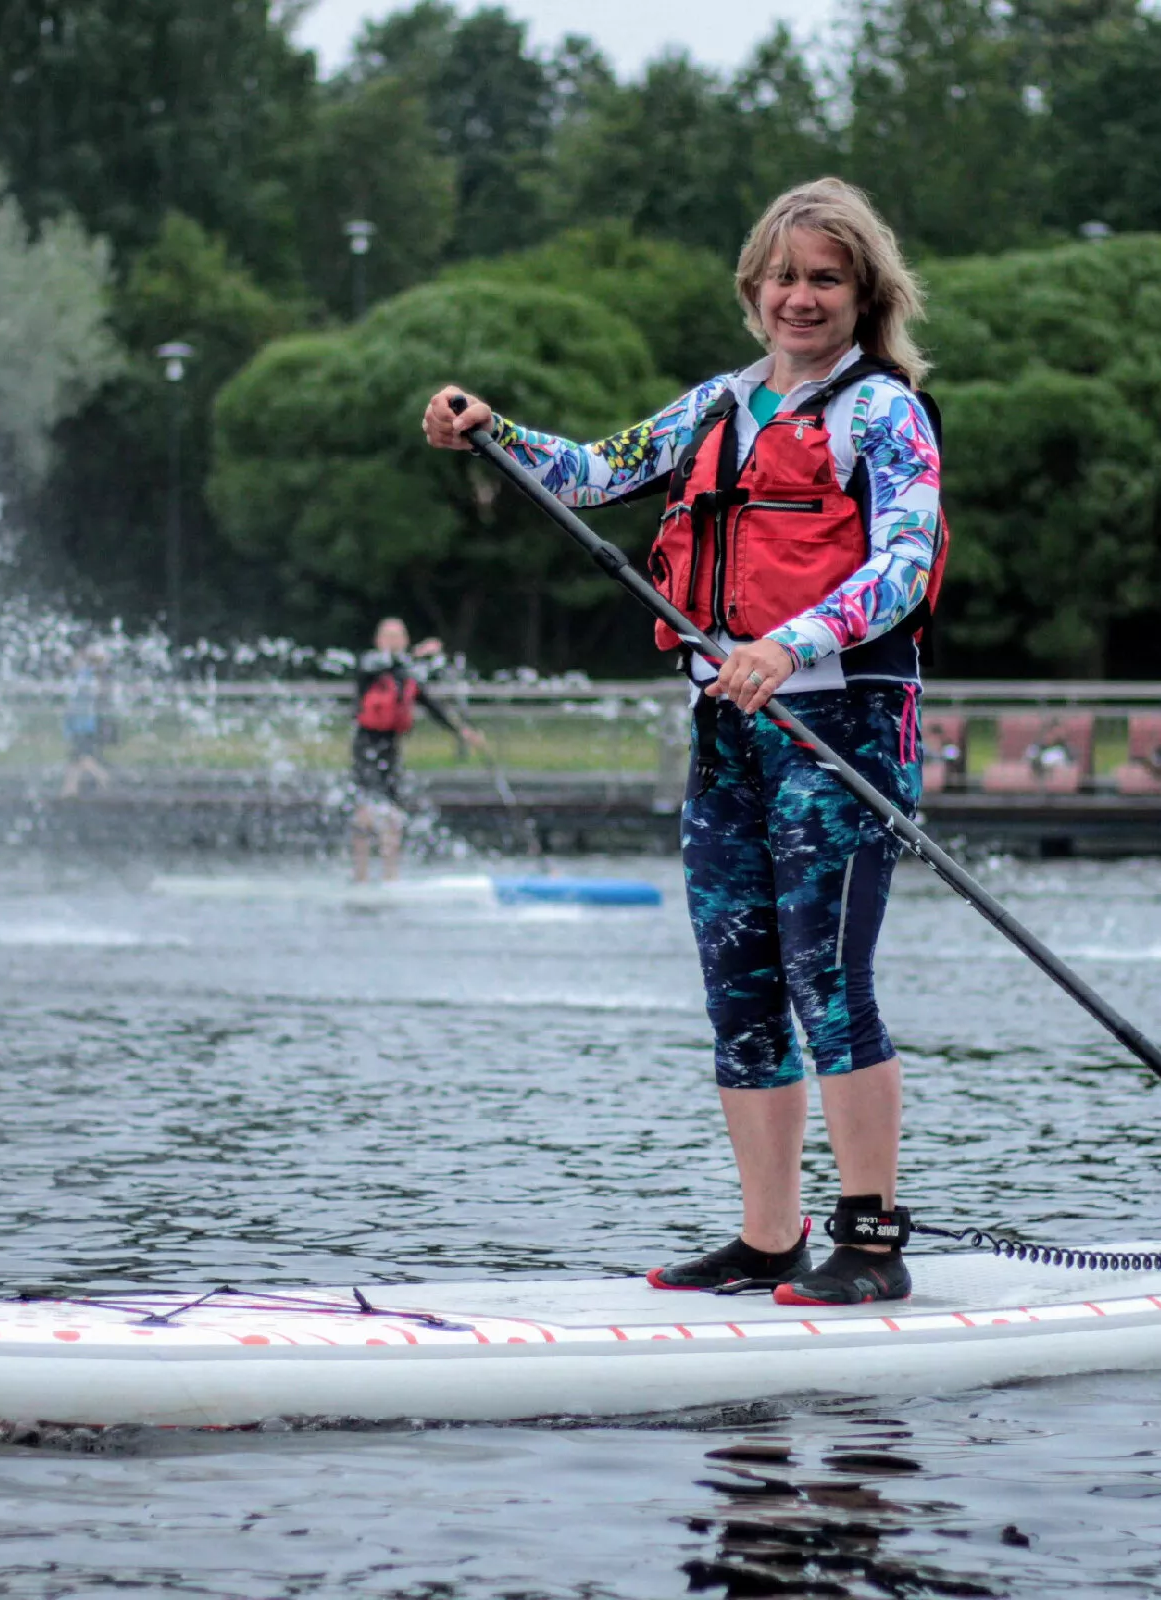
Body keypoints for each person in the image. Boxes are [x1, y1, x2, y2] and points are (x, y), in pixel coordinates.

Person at [421, 176, 946, 1306]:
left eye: (826, 277)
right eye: (784, 276)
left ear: (865, 294)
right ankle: (770, 1239)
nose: (800, 297)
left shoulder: (884, 414)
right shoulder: (719, 404)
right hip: (729, 725)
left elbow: (903, 565)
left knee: (827, 975)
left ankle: (872, 1239)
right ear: (754, 290)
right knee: (739, 985)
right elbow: (594, 472)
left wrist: (789, 641)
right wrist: (489, 430)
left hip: (839, 718)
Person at [350, 617, 484, 883]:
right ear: (378, 641)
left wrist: (462, 731)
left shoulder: (407, 676)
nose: (392, 641)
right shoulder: (369, 666)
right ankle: (360, 875)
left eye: (398, 636)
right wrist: (418, 655)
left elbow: (433, 707)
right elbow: (389, 662)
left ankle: (391, 875)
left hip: (390, 748)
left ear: (406, 640)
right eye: (387, 636)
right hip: (365, 746)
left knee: (393, 813)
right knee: (365, 810)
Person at [60, 647, 113, 798]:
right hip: (78, 724)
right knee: (74, 758)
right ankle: (69, 788)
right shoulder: (83, 677)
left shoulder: (86, 677)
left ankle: (103, 776)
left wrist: (91, 656)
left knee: (82, 757)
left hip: (82, 725)